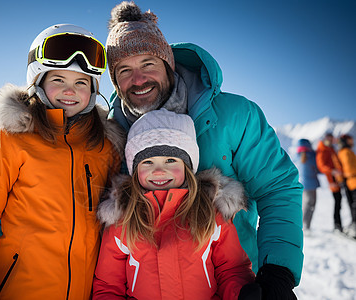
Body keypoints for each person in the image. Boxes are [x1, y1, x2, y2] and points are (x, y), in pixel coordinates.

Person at [103, 1, 303, 297]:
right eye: (124, 70)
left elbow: (277, 188)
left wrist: (278, 272)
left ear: (168, 64)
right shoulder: (111, 133)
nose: (139, 79)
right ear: (115, 81)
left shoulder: (234, 116)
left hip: (236, 282)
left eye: (148, 64)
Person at [0, 24, 123, 300]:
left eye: (81, 83)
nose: (70, 91)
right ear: (37, 82)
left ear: (93, 90)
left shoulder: (104, 147)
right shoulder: (11, 139)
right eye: (58, 81)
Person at [93, 109, 255, 299]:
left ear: (187, 167)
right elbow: (108, 285)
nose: (159, 171)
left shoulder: (209, 214)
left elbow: (231, 269)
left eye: (170, 160)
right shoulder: (123, 220)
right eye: (148, 162)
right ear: (134, 170)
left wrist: (241, 294)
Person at [316, 132, 346, 232]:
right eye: (329, 138)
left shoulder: (330, 148)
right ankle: (337, 225)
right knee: (337, 201)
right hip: (332, 179)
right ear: (325, 138)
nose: (330, 140)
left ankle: (338, 225)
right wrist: (332, 171)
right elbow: (321, 166)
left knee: (339, 201)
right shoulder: (322, 149)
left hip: (337, 178)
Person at [295, 139, 320, 231]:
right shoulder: (311, 156)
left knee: (306, 204)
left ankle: (303, 224)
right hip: (311, 184)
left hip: (302, 183)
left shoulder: (297, 156)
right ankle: (306, 225)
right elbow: (318, 168)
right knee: (311, 204)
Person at [337, 134, 356, 238]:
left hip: (352, 181)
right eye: (350, 140)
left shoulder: (348, 151)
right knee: (354, 206)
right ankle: (354, 227)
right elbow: (349, 169)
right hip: (352, 182)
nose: (352, 141)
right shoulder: (345, 152)